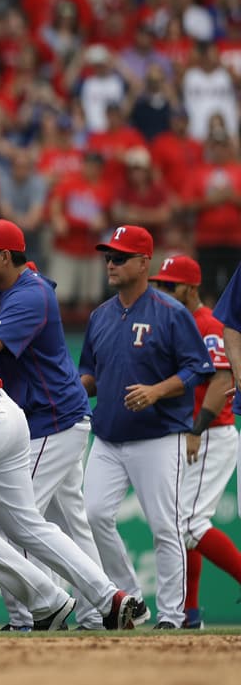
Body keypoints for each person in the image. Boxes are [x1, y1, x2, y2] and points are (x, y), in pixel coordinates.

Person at [0, 219, 137, 631]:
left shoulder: (29, 293)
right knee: (71, 524)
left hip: (49, 421)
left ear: (5, 256)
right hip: (58, 418)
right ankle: (103, 612)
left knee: (18, 522)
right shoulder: (12, 289)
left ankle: (31, 616)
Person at [80, 225, 214, 630]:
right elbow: (89, 369)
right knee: (93, 515)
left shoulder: (170, 312)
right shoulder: (100, 315)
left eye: (119, 257)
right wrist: (75, 388)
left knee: (165, 526)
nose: (110, 263)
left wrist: (157, 391)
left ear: (144, 263)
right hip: (107, 435)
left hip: (158, 436)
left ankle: (172, 617)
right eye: (108, 256)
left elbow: (198, 368)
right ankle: (131, 600)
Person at [149, 255, 241, 629]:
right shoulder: (177, 321)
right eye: (160, 284)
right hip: (194, 434)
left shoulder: (208, 324)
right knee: (182, 525)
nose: (163, 291)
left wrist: (196, 431)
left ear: (190, 288)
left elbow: (223, 382)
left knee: (187, 522)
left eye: (170, 285)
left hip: (211, 433)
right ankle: (189, 613)